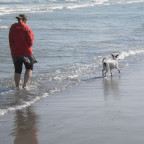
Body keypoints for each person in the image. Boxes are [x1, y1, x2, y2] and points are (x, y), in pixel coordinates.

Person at [9, 14, 37, 89]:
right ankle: (25, 85)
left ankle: (17, 87)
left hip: (15, 52)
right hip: (26, 52)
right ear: (24, 20)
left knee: (17, 70)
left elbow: (10, 40)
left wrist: (12, 49)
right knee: (29, 68)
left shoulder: (12, 27)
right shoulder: (26, 28)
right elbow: (30, 41)